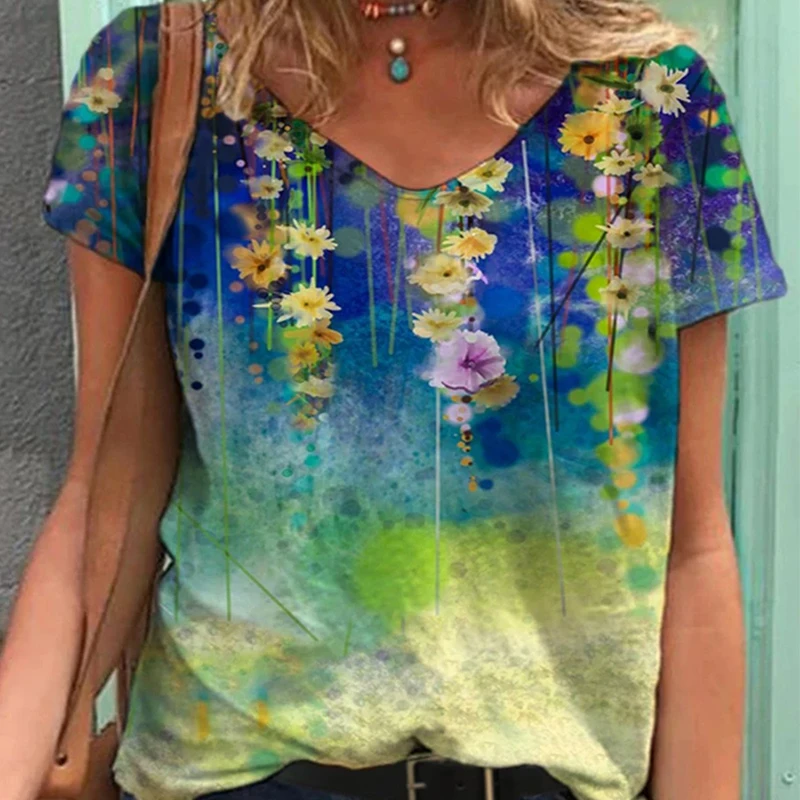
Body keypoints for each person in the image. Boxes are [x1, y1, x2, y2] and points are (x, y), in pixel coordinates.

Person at [0, 0, 789, 798]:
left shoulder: (652, 99)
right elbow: (106, 493)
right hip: (237, 776)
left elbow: (691, 543)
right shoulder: (155, 77)